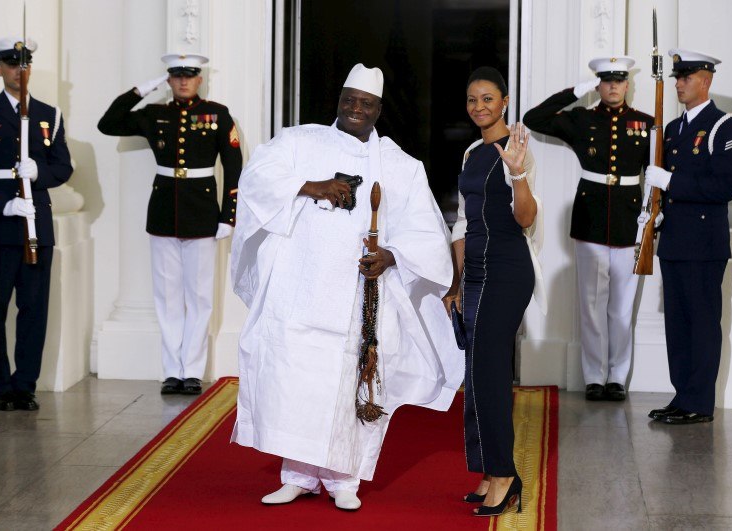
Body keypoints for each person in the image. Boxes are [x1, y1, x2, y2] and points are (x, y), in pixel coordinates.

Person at [230, 64, 463, 511]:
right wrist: (310, 186)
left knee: (350, 386)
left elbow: (426, 231)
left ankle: (344, 481)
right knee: (296, 382)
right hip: (300, 293)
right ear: (339, 100)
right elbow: (257, 177)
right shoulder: (300, 142)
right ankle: (296, 475)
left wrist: (391, 255)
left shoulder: (399, 165)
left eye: (366, 103)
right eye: (349, 100)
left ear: (378, 110)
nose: (356, 109)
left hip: (358, 300)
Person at [98, 53, 242, 396]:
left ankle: (192, 370)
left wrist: (228, 215)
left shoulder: (218, 114)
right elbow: (109, 123)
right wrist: (141, 90)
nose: (182, 81)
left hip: (203, 214)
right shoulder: (155, 113)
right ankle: (171, 371)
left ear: (199, 79)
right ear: (168, 80)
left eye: (189, 75)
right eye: (175, 76)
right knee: (167, 297)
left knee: (200, 297)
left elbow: (235, 167)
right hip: (163, 214)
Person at [523, 57, 653, 401]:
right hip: (591, 220)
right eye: (605, 81)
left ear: (627, 85)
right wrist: (575, 92)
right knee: (592, 305)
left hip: (630, 222)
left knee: (623, 308)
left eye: (619, 80)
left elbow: (656, 177)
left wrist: (655, 216)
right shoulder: (582, 119)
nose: (612, 86)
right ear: (599, 84)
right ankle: (594, 377)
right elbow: (532, 119)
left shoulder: (646, 124)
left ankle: (618, 377)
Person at [443, 66, 541, 517]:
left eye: (487, 99)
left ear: (504, 102)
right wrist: (457, 283)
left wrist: (517, 175)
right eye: (471, 99)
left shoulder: (518, 147)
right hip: (476, 271)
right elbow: (463, 222)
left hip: (507, 270)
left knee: (491, 372)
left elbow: (525, 218)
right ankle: (488, 470)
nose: (479, 107)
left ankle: (506, 475)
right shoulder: (469, 152)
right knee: (476, 372)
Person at [0, 37, 73, 411]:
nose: (18, 71)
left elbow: (63, 167)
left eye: (24, 64)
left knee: (34, 308)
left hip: (36, 226)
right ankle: (1, 386)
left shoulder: (48, 114)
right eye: (11, 64)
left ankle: (26, 384)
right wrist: (3, 204)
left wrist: (39, 172)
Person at [645, 50, 732, 425]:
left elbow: (724, 186)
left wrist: (670, 181)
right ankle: (682, 395)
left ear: (707, 80)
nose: (679, 84)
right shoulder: (672, 129)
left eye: (687, 77)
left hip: (704, 244)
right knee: (678, 324)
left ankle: (699, 402)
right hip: (674, 242)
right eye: (677, 77)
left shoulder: (725, 127)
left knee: (702, 323)